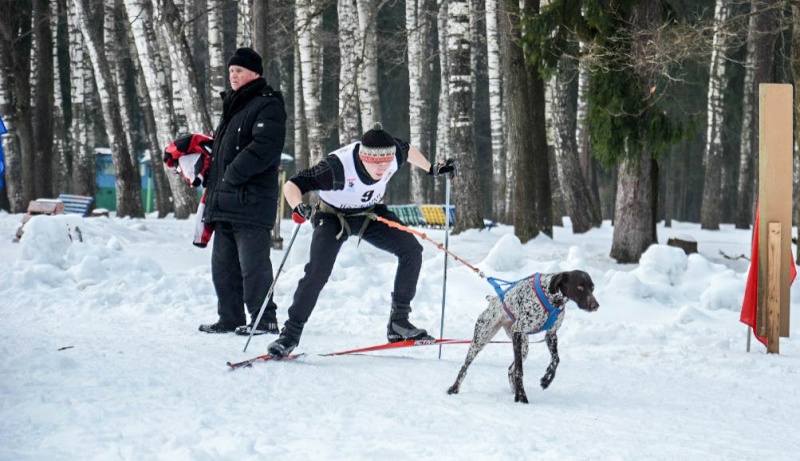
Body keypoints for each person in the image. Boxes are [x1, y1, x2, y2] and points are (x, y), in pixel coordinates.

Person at [267, 123, 456, 357]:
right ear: (362, 156)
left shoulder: (392, 153)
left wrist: (432, 169)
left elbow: (407, 149)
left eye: (386, 163)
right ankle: (289, 335)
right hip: (333, 216)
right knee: (318, 271)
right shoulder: (336, 168)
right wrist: (298, 205)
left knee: (411, 250)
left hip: (370, 213)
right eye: (375, 162)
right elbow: (293, 184)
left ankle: (399, 322)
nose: (381, 168)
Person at [198, 47, 287, 336]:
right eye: (231, 71)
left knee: (254, 268)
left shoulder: (268, 104)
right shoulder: (232, 106)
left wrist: (231, 174)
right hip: (223, 202)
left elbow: (264, 147)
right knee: (223, 268)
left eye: (239, 71)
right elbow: (224, 151)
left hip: (251, 203)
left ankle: (264, 320)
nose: (233, 76)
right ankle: (230, 317)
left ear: (255, 74)